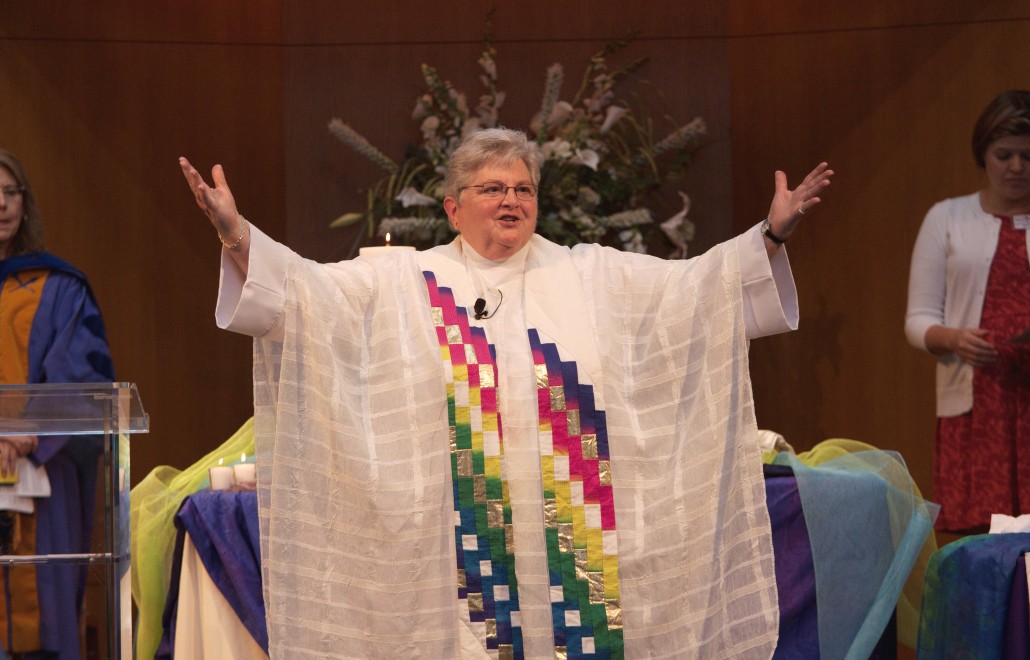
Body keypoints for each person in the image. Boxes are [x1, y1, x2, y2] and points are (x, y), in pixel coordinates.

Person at [180, 128, 832, 658]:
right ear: (453, 208)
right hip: (463, 547)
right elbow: (303, 296)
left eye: (522, 188)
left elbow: (699, 292)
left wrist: (770, 236)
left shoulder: (589, 275)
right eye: (492, 187)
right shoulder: (409, 282)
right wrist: (236, 235)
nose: (511, 200)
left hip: (574, 548)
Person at [0, 149, 116, 659]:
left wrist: (30, 433)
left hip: (37, 476)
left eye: (10, 192)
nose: (1, 204)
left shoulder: (59, 286)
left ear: (25, 203)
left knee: (41, 618)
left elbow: (80, 375)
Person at [906, 90, 1030, 533]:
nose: (1016, 167)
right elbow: (917, 320)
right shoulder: (947, 218)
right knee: (979, 541)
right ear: (984, 154)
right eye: (1004, 155)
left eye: (1027, 156)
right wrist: (954, 338)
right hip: (978, 404)